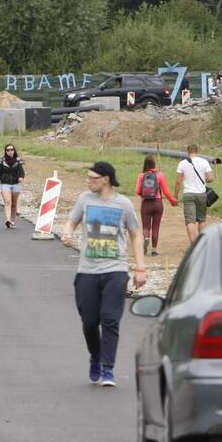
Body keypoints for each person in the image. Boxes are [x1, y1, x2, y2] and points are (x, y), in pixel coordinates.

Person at [61, 162, 146, 386]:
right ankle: (96, 356)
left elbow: (136, 235)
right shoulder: (84, 200)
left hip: (115, 270)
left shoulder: (124, 205)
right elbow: (72, 221)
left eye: (92, 178)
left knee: (110, 320)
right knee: (89, 322)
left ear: (106, 179)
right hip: (87, 271)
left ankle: (108, 369)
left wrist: (140, 268)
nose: (88, 181)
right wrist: (68, 232)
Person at [135, 155, 177, 256]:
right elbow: (166, 192)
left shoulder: (141, 175)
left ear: (145, 164)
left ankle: (146, 238)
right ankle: (154, 250)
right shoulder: (160, 175)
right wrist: (172, 201)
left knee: (146, 226)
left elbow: (137, 191)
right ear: (154, 164)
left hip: (146, 203)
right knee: (156, 226)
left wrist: (144, 195)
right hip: (158, 204)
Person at [174, 144, 215, 243]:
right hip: (201, 193)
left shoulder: (182, 163)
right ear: (198, 151)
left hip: (188, 194)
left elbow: (178, 181)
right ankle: (201, 243)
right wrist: (204, 180)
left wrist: (175, 196)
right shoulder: (204, 162)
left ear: (188, 152)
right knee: (202, 219)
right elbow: (210, 178)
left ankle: (193, 245)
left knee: (190, 221)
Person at [0, 144, 25, 228]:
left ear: (14, 151)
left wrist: (21, 177)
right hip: (5, 184)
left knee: (14, 204)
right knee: (8, 202)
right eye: (8, 150)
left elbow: (22, 171)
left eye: (11, 149)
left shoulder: (18, 160)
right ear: (5, 151)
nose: (10, 151)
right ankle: (8, 220)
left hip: (15, 184)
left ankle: (12, 220)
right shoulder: (2, 160)